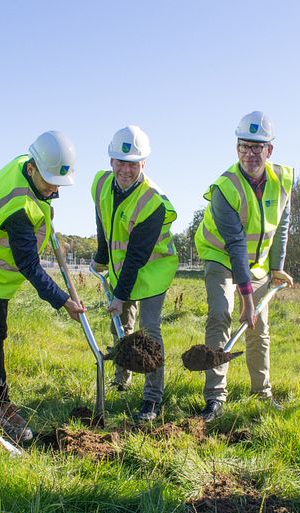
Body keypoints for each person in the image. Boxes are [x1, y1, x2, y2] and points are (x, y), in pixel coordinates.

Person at [0, 131, 85, 441]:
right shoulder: (18, 207)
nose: (54, 188)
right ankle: (0, 403)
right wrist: (62, 300)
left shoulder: (28, 166)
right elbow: (29, 265)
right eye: (49, 180)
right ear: (32, 169)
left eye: (58, 182)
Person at [194, 111, 294, 422]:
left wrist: (276, 266)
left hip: (258, 263)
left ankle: (261, 393)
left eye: (257, 147)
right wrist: (247, 300)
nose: (249, 154)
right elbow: (236, 245)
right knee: (222, 315)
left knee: (259, 328)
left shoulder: (283, 180)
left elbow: (282, 224)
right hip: (220, 255)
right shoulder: (225, 188)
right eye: (243, 147)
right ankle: (215, 397)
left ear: (270, 150)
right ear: (236, 148)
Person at [91, 125, 178, 422]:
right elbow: (103, 221)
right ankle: (121, 377)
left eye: (133, 163)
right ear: (111, 161)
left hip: (153, 270)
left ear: (144, 164)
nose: (126, 170)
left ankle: (152, 398)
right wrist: (101, 257)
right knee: (119, 326)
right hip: (119, 268)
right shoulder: (101, 184)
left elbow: (138, 256)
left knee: (149, 331)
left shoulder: (152, 200)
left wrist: (120, 294)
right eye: (120, 162)